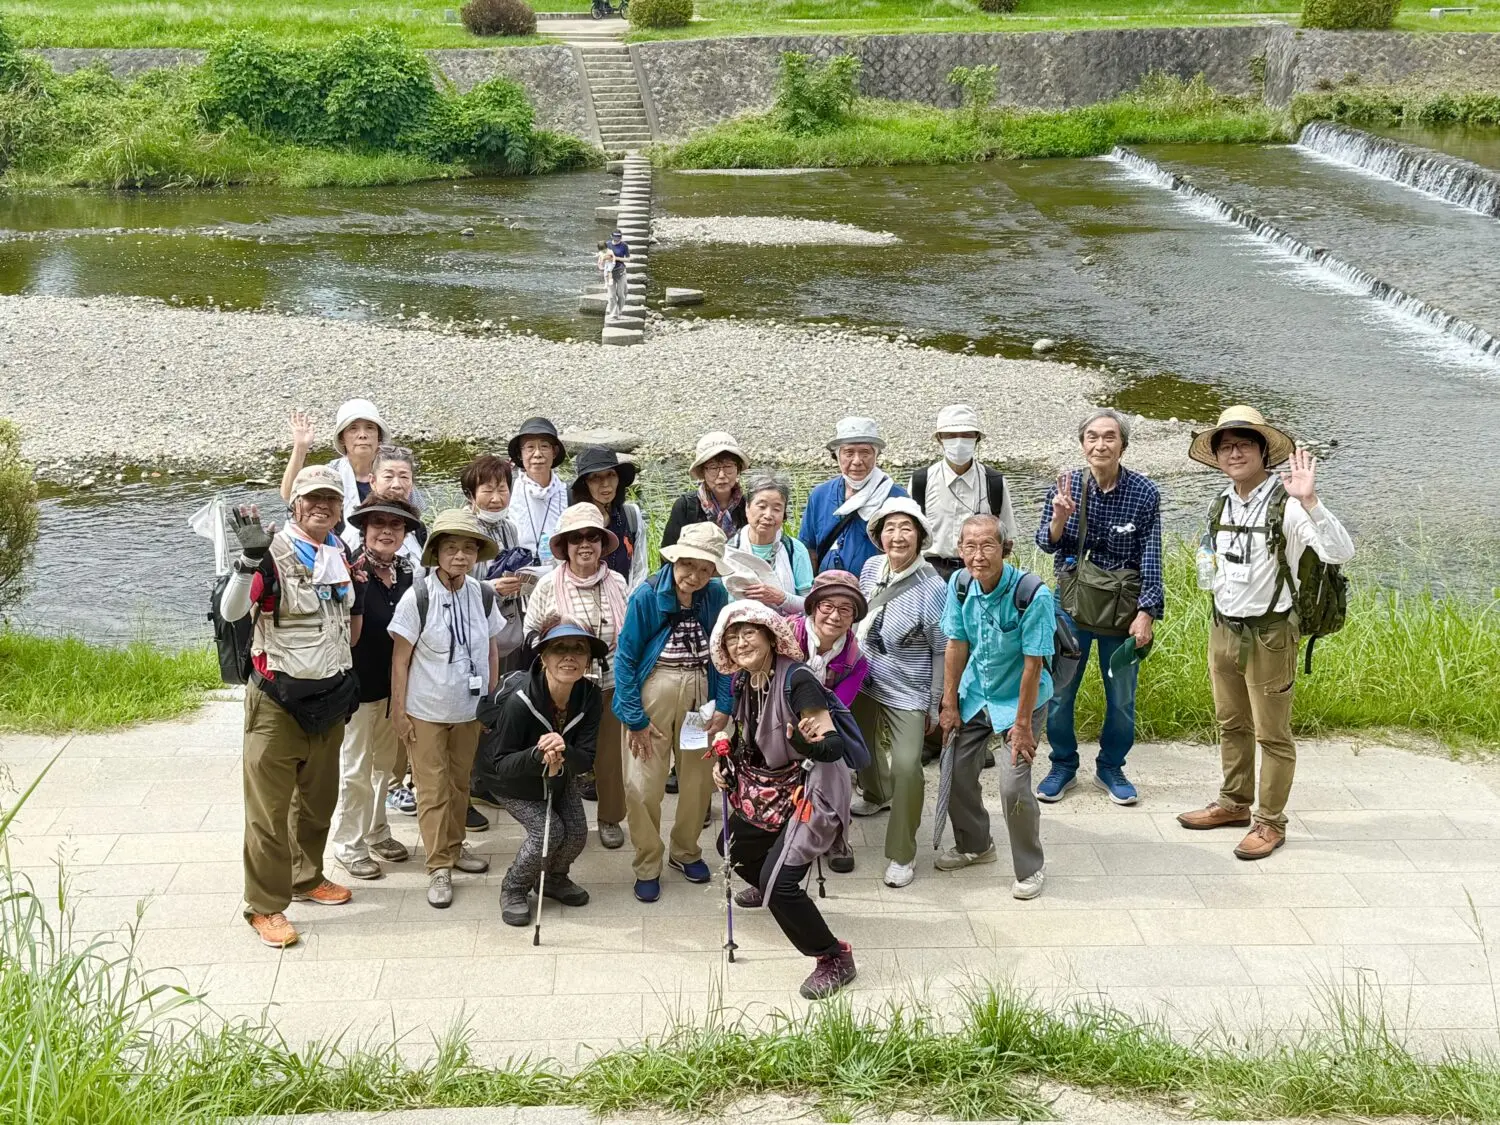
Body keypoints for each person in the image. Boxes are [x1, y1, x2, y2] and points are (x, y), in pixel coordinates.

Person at [1176, 406, 1354, 861]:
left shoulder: (1289, 505)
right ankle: (1234, 804)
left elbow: (1340, 551)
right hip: (1223, 627)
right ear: (1217, 457)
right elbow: (1210, 560)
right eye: (1226, 446)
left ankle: (1270, 822)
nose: (1234, 453)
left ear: (1263, 452)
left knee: (1272, 734)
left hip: (1272, 633)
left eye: (1243, 444)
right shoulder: (1220, 502)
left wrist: (1312, 502)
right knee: (1230, 723)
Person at [219, 465, 360, 948]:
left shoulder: (338, 552)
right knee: (268, 811)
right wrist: (246, 563)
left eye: (331, 500)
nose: (322, 506)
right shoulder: (271, 552)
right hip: (276, 701)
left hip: (329, 697)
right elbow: (233, 612)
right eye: (312, 498)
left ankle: (306, 876)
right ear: (294, 504)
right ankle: (265, 905)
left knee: (318, 802)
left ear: (341, 508)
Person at [710, 600, 858, 1001]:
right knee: (730, 845)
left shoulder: (798, 680)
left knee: (781, 886)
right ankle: (770, 880)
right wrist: (724, 764)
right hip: (771, 789)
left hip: (814, 789)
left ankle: (833, 956)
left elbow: (831, 746)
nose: (741, 642)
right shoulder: (745, 681)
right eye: (732, 636)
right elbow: (750, 741)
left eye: (749, 632)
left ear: (771, 636)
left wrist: (799, 741)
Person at [1034, 408, 1163, 807]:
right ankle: (1063, 765)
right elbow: (1046, 542)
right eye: (1092, 436)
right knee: (1058, 691)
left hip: (1122, 609)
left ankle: (1111, 767)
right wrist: (1059, 518)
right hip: (1071, 604)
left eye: (1109, 437)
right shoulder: (1067, 485)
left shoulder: (1144, 492)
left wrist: (1147, 612)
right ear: (1082, 443)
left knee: (1121, 695)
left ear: (1122, 444)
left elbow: (1151, 555)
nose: (1100, 444)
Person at [388, 509, 507, 909]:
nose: (460, 555)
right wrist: (399, 712)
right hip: (426, 710)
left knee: (460, 784)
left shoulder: (482, 593)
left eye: (468, 548)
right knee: (432, 788)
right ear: (435, 552)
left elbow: (491, 648)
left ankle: (455, 849)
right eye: (451, 548)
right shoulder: (417, 596)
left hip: (469, 710)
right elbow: (400, 659)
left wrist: (491, 699)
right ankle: (438, 866)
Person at [613, 522, 733, 903]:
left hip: (700, 692)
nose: (694, 576)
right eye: (688, 565)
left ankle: (685, 850)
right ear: (675, 559)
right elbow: (626, 659)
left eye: (705, 569)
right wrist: (635, 718)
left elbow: (725, 654)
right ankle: (648, 861)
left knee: (698, 778)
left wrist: (725, 707)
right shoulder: (647, 594)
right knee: (642, 780)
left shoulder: (716, 594)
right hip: (655, 689)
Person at [938, 514, 1054, 900]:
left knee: (1012, 786)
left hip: (1021, 701)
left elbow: (1033, 664)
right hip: (975, 694)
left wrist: (1022, 726)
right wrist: (949, 701)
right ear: (959, 550)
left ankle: (1030, 867)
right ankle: (976, 845)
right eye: (969, 546)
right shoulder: (958, 585)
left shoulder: (1032, 593)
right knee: (954, 770)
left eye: (987, 545)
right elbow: (956, 644)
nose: (978, 555)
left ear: (1005, 548)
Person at [475, 617, 605, 926]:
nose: (569, 656)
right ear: (544, 658)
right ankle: (514, 888)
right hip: (510, 780)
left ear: (588, 660)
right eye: (559, 649)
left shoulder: (590, 696)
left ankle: (553, 878)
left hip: (559, 774)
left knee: (576, 832)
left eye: (578, 649)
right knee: (548, 832)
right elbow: (501, 763)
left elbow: (585, 759)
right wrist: (537, 755)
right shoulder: (521, 702)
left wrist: (563, 752)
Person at [850, 498, 948, 889]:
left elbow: (943, 648)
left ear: (921, 537)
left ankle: (902, 853)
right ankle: (875, 791)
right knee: (856, 741)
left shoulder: (933, 587)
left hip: (908, 687)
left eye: (906, 528)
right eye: (889, 528)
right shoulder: (871, 567)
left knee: (908, 765)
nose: (897, 536)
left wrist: (937, 701)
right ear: (878, 536)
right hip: (863, 674)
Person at [525, 503, 630, 850]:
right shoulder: (546, 586)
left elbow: (629, 634)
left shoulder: (617, 582)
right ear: (565, 545)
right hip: (562, 688)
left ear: (603, 543)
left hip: (609, 683)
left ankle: (610, 817)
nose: (585, 544)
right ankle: (556, 817)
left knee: (609, 756)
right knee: (560, 752)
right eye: (576, 538)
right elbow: (531, 635)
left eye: (593, 537)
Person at [329, 495, 422, 881]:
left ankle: (377, 831)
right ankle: (348, 844)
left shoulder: (407, 573)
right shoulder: (347, 570)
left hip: (395, 688)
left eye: (396, 525)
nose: (387, 531)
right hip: (357, 687)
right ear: (364, 529)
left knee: (385, 767)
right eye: (378, 523)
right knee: (355, 770)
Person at [790, 570, 869, 875]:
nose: (835, 616)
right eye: (828, 607)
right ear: (813, 607)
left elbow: (839, 705)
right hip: (782, 715)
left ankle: (836, 837)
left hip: (825, 723)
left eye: (845, 609)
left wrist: (814, 732)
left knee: (836, 771)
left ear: (853, 618)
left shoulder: (855, 659)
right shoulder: (786, 636)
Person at [910, 404, 1016, 580]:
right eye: (951, 436)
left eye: (966, 436)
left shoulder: (994, 482)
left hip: (981, 572)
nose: (959, 442)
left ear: (977, 438)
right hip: (931, 573)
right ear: (939, 439)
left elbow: (1007, 539)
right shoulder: (921, 481)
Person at [799, 417, 908, 577]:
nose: (857, 461)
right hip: (829, 593)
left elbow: (908, 550)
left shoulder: (896, 498)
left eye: (865, 453)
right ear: (837, 456)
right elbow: (809, 548)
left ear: (876, 455)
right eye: (849, 453)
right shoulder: (820, 495)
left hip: (878, 591)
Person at [279, 400, 388, 524]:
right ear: (342, 438)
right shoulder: (331, 472)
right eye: (353, 429)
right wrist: (300, 447)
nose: (362, 435)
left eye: (370, 428)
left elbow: (414, 513)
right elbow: (289, 495)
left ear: (379, 436)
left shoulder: (396, 473)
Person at [727, 469, 814, 616]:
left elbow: (810, 605)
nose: (768, 515)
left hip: (787, 631)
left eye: (776, 509)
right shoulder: (729, 550)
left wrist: (781, 598)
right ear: (747, 508)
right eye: (761, 506)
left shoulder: (794, 549)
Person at [570, 446, 649, 589]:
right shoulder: (571, 523)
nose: (605, 484)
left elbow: (640, 569)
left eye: (611, 475)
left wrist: (629, 603)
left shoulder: (631, 516)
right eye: (595, 477)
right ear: (585, 484)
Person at [661, 432, 748, 550]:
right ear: (703, 472)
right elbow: (669, 552)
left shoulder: (748, 505)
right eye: (713, 468)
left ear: (737, 469)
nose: (722, 475)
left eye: (728, 466)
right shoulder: (686, 506)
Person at [342, 444, 427, 564]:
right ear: (373, 481)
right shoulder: (355, 532)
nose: (396, 484)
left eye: (404, 477)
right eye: (388, 476)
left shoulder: (417, 528)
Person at [508, 417, 569, 566]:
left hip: (559, 578)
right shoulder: (508, 491)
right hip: (516, 578)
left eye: (544, 446)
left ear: (554, 452)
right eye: (530, 447)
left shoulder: (569, 493)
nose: (537, 454)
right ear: (520, 454)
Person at [606, 229, 630, 319]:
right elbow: (602, 256)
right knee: (612, 296)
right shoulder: (607, 245)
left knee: (621, 295)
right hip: (610, 273)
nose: (617, 238)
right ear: (612, 236)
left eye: (619, 237)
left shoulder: (624, 245)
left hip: (621, 272)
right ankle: (613, 314)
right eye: (615, 236)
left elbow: (628, 259)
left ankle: (619, 311)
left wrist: (616, 258)